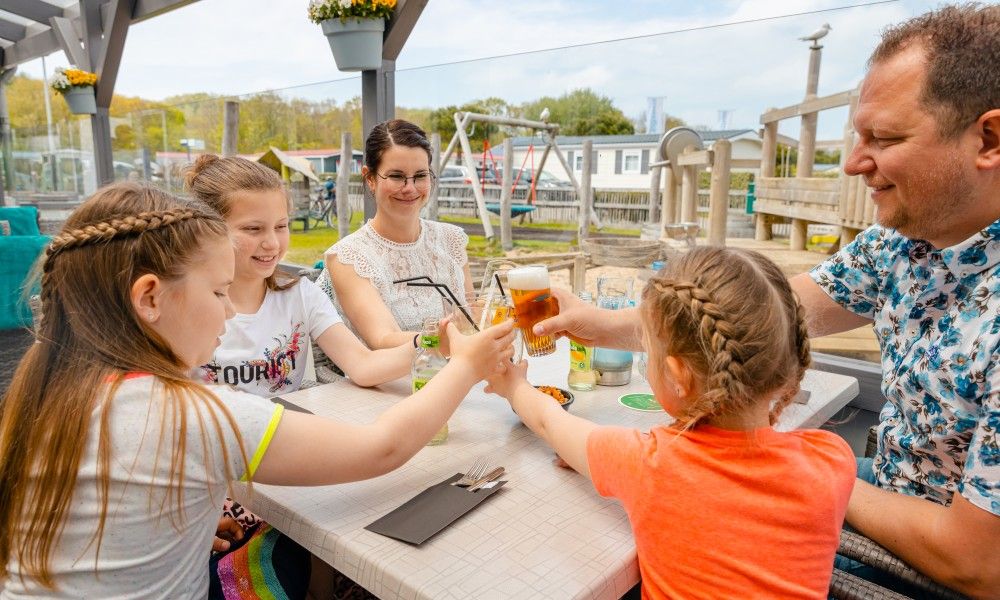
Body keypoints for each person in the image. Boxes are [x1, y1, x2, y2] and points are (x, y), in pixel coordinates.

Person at [534, 6, 1000, 596]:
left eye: (883, 138)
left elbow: (978, 564)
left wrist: (788, 473)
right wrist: (596, 325)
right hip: (885, 483)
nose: (855, 162)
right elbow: (748, 319)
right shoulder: (903, 243)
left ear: (989, 138)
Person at [0, 182, 515, 598]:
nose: (228, 309)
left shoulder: (47, 387)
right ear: (150, 297)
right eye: (218, 291)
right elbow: (383, 449)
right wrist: (466, 367)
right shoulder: (187, 412)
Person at [488, 247, 855, 598]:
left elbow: (549, 421)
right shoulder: (832, 459)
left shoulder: (647, 461)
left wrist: (512, 384)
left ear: (676, 374)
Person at [185, 154, 420, 394]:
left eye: (281, 226)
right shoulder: (184, 305)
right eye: (253, 229)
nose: (272, 243)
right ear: (208, 230)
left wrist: (431, 342)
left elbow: (362, 365)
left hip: (285, 429)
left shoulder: (302, 295)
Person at [317, 119, 473, 349]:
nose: (410, 188)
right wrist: (454, 340)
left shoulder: (451, 240)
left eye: (420, 175)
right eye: (397, 176)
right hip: (388, 383)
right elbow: (383, 339)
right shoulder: (347, 257)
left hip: (462, 372)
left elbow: (474, 317)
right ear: (370, 178)